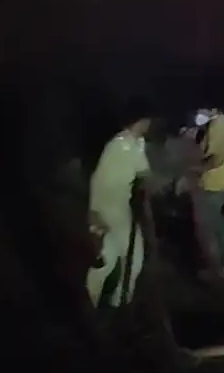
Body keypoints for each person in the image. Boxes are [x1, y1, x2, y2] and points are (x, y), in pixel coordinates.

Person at [85, 103, 156, 310]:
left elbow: (143, 171)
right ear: (140, 121)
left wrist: (149, 183)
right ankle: (94, 302)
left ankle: (120, 302)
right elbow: (97, 179)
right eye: (147, 120)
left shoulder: (137, 143)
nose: (150, 124)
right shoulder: (117, 145)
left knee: (130, 259)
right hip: (106, 210)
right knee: (108, 260)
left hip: (123, 210)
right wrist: (94, 212)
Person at [184, 107, 224, 275]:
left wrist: (194, 169)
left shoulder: (218, 124)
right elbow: (207, 151)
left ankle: (215, 266)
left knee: (205, 227)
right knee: (212, 220)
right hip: (220, 181)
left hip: (215, 183)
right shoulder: (218, 123)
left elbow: (215, 160)